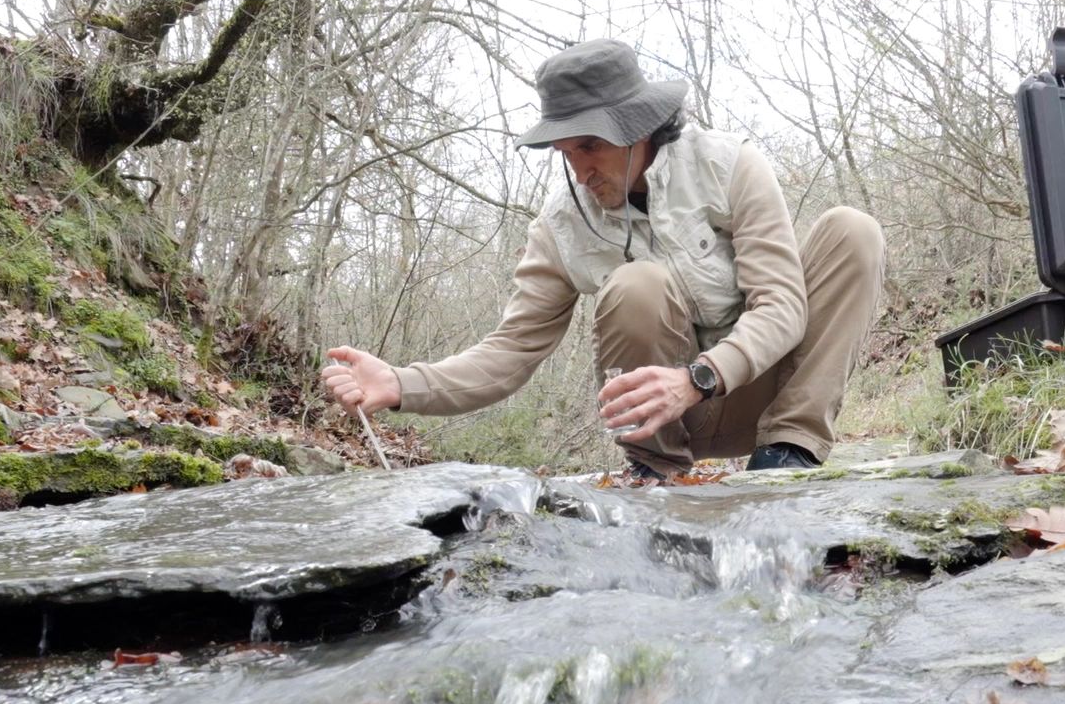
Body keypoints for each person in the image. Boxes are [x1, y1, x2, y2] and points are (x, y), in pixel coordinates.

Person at [319, 39, 886, 480]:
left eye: (590, 146)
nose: (579, 170)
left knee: (850, 231)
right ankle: (655, 471)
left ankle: (790, 454)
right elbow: (509, 353)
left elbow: (783, 308)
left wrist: (698, 377)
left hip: (760, 396)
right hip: (669, 424)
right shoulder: (560, 226)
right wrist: (399, 383)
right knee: (637, 284)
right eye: (565, 153)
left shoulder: (728, 165)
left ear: (639, 128)